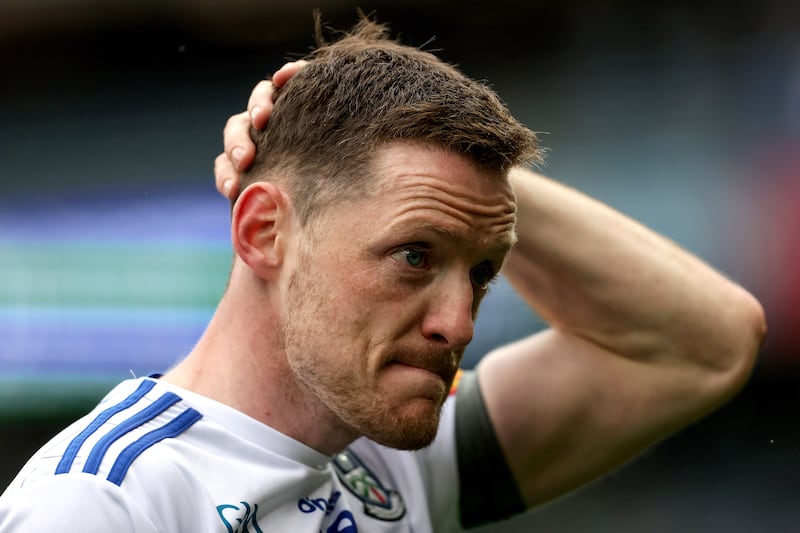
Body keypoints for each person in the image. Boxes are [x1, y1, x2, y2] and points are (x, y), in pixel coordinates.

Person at [0, 16, 765, 532]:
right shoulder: (106, 497)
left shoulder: (387, 454)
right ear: (264, 231)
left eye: (484, 270)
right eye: (414, 256)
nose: (459, 324)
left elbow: (708, 341)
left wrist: (464, 180)